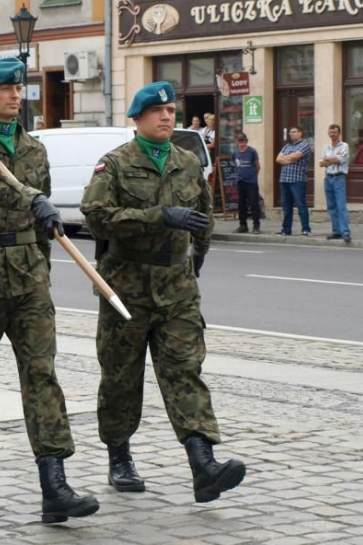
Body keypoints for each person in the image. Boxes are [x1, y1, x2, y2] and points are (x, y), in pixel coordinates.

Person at [0, 57, 99, 524]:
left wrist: (41, 260)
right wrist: (31, 198)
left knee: (42, 378)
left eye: (18, 88)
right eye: (5, 89)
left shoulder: (34, 149)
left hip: (30, 281)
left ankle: (55, 485)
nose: (14, 95)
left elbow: (40, 218)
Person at [80, 81, 246, 504]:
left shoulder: (188, 162)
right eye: (157, 112)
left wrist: (198, 260)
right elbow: (97, 218)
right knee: (121, 377)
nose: (167, 117)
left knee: (184, 371)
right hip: (126, 288)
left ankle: (203, 464)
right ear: (137, 119)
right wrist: (158, 216)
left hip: (176, 288)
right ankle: (119, 458)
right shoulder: (114, 164)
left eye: (171, 110)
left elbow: (204, 216)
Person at [275, 125, 312, 236]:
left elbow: (295, 157)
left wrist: (287, 158)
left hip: (298, 180)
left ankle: (306, 229)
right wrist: (290, 159)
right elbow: (278, 159)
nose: (291, 134)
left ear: (300, 133)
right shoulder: (287, 146)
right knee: (286, 206)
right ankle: (286, 229)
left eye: (294, 132)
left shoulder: (304, 145)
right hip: (284, 179)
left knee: (301, 205)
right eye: (290, 132)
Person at [319, 124, 351, 243]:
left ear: (339, 133)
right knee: (331, 206)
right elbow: (321, 164)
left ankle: (345, 232)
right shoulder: (326, 147)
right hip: (328, 178)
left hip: (339, 178)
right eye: (331, 132)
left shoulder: (344, 146)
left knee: (341, 206)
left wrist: (329, 160)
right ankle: (336, 231)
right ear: (328, 133)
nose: (333, 134)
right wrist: (332, 159)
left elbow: (340, 160)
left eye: (335, 132)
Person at [231, 132, 261, 234]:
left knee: (253, 203)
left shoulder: (252, 152)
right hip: (240, 181)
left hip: (251, 182)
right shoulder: (235, 153)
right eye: (239, 141)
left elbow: (257, 166)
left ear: (246, 141)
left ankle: (256, 225)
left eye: (243, 141)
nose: (241, 143)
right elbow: (234, 165)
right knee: (241, 204)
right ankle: (243, 225)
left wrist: (253, 176)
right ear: (237, 142)